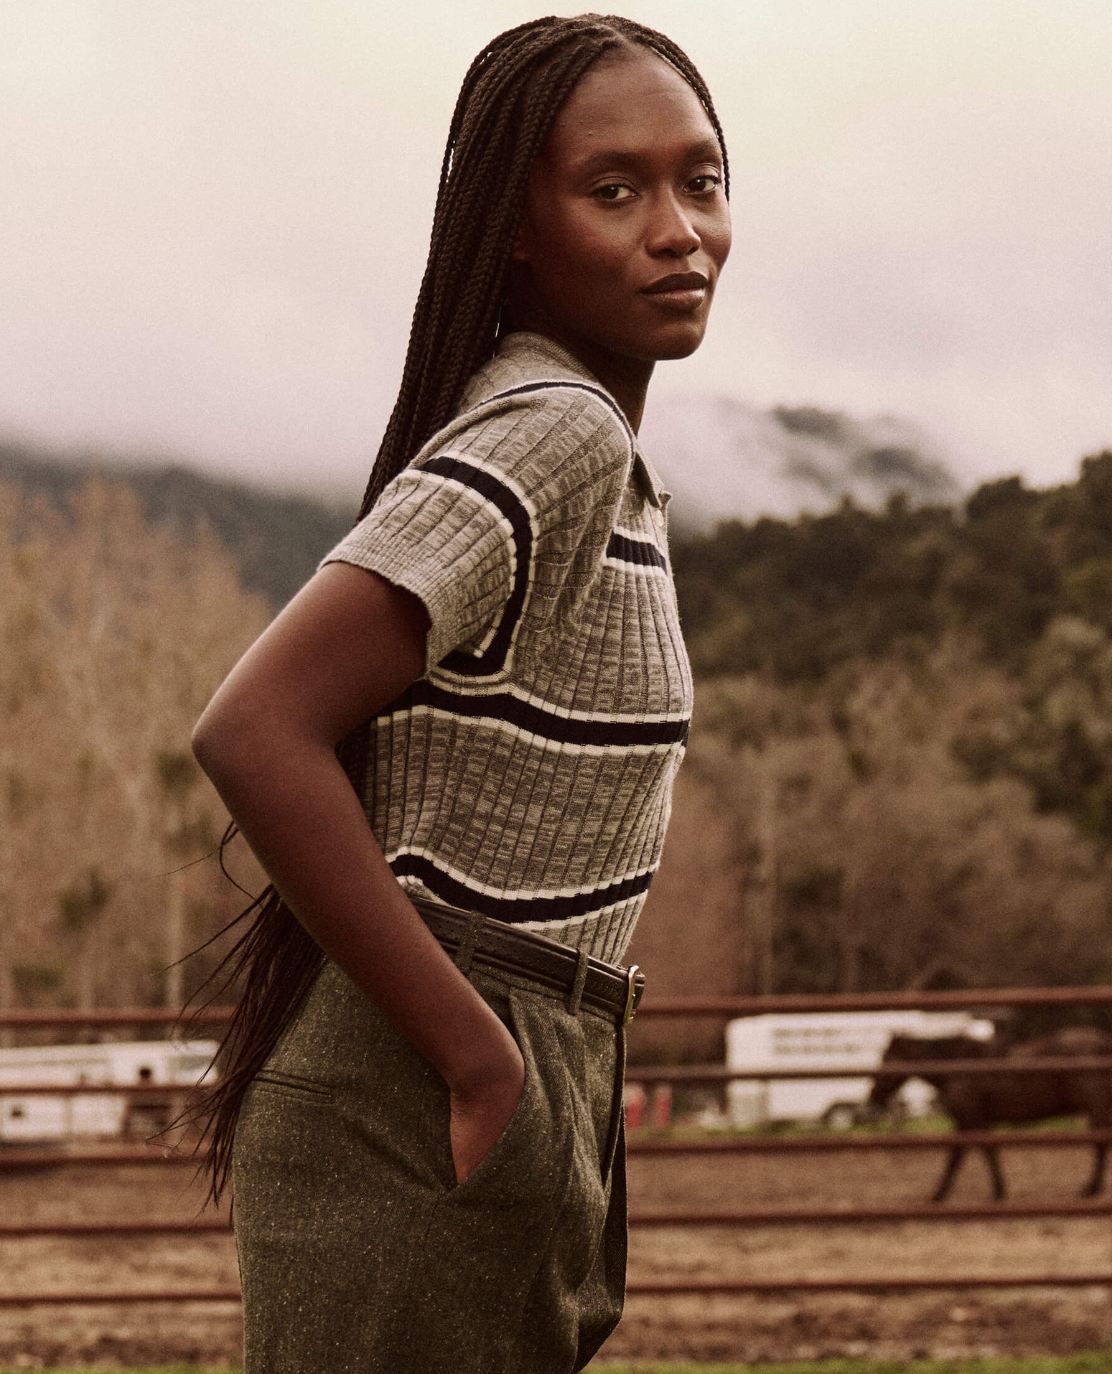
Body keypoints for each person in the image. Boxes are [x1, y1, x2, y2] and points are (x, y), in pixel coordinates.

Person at [190, 13, 730, 1373]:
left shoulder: (579, 439)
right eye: (617, 191)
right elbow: (256, 729)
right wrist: (485, 1063)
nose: (679, 230)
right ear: (518, 231)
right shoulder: (558, 428)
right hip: (435, 1074)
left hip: (503, 1050)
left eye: (702, 180)